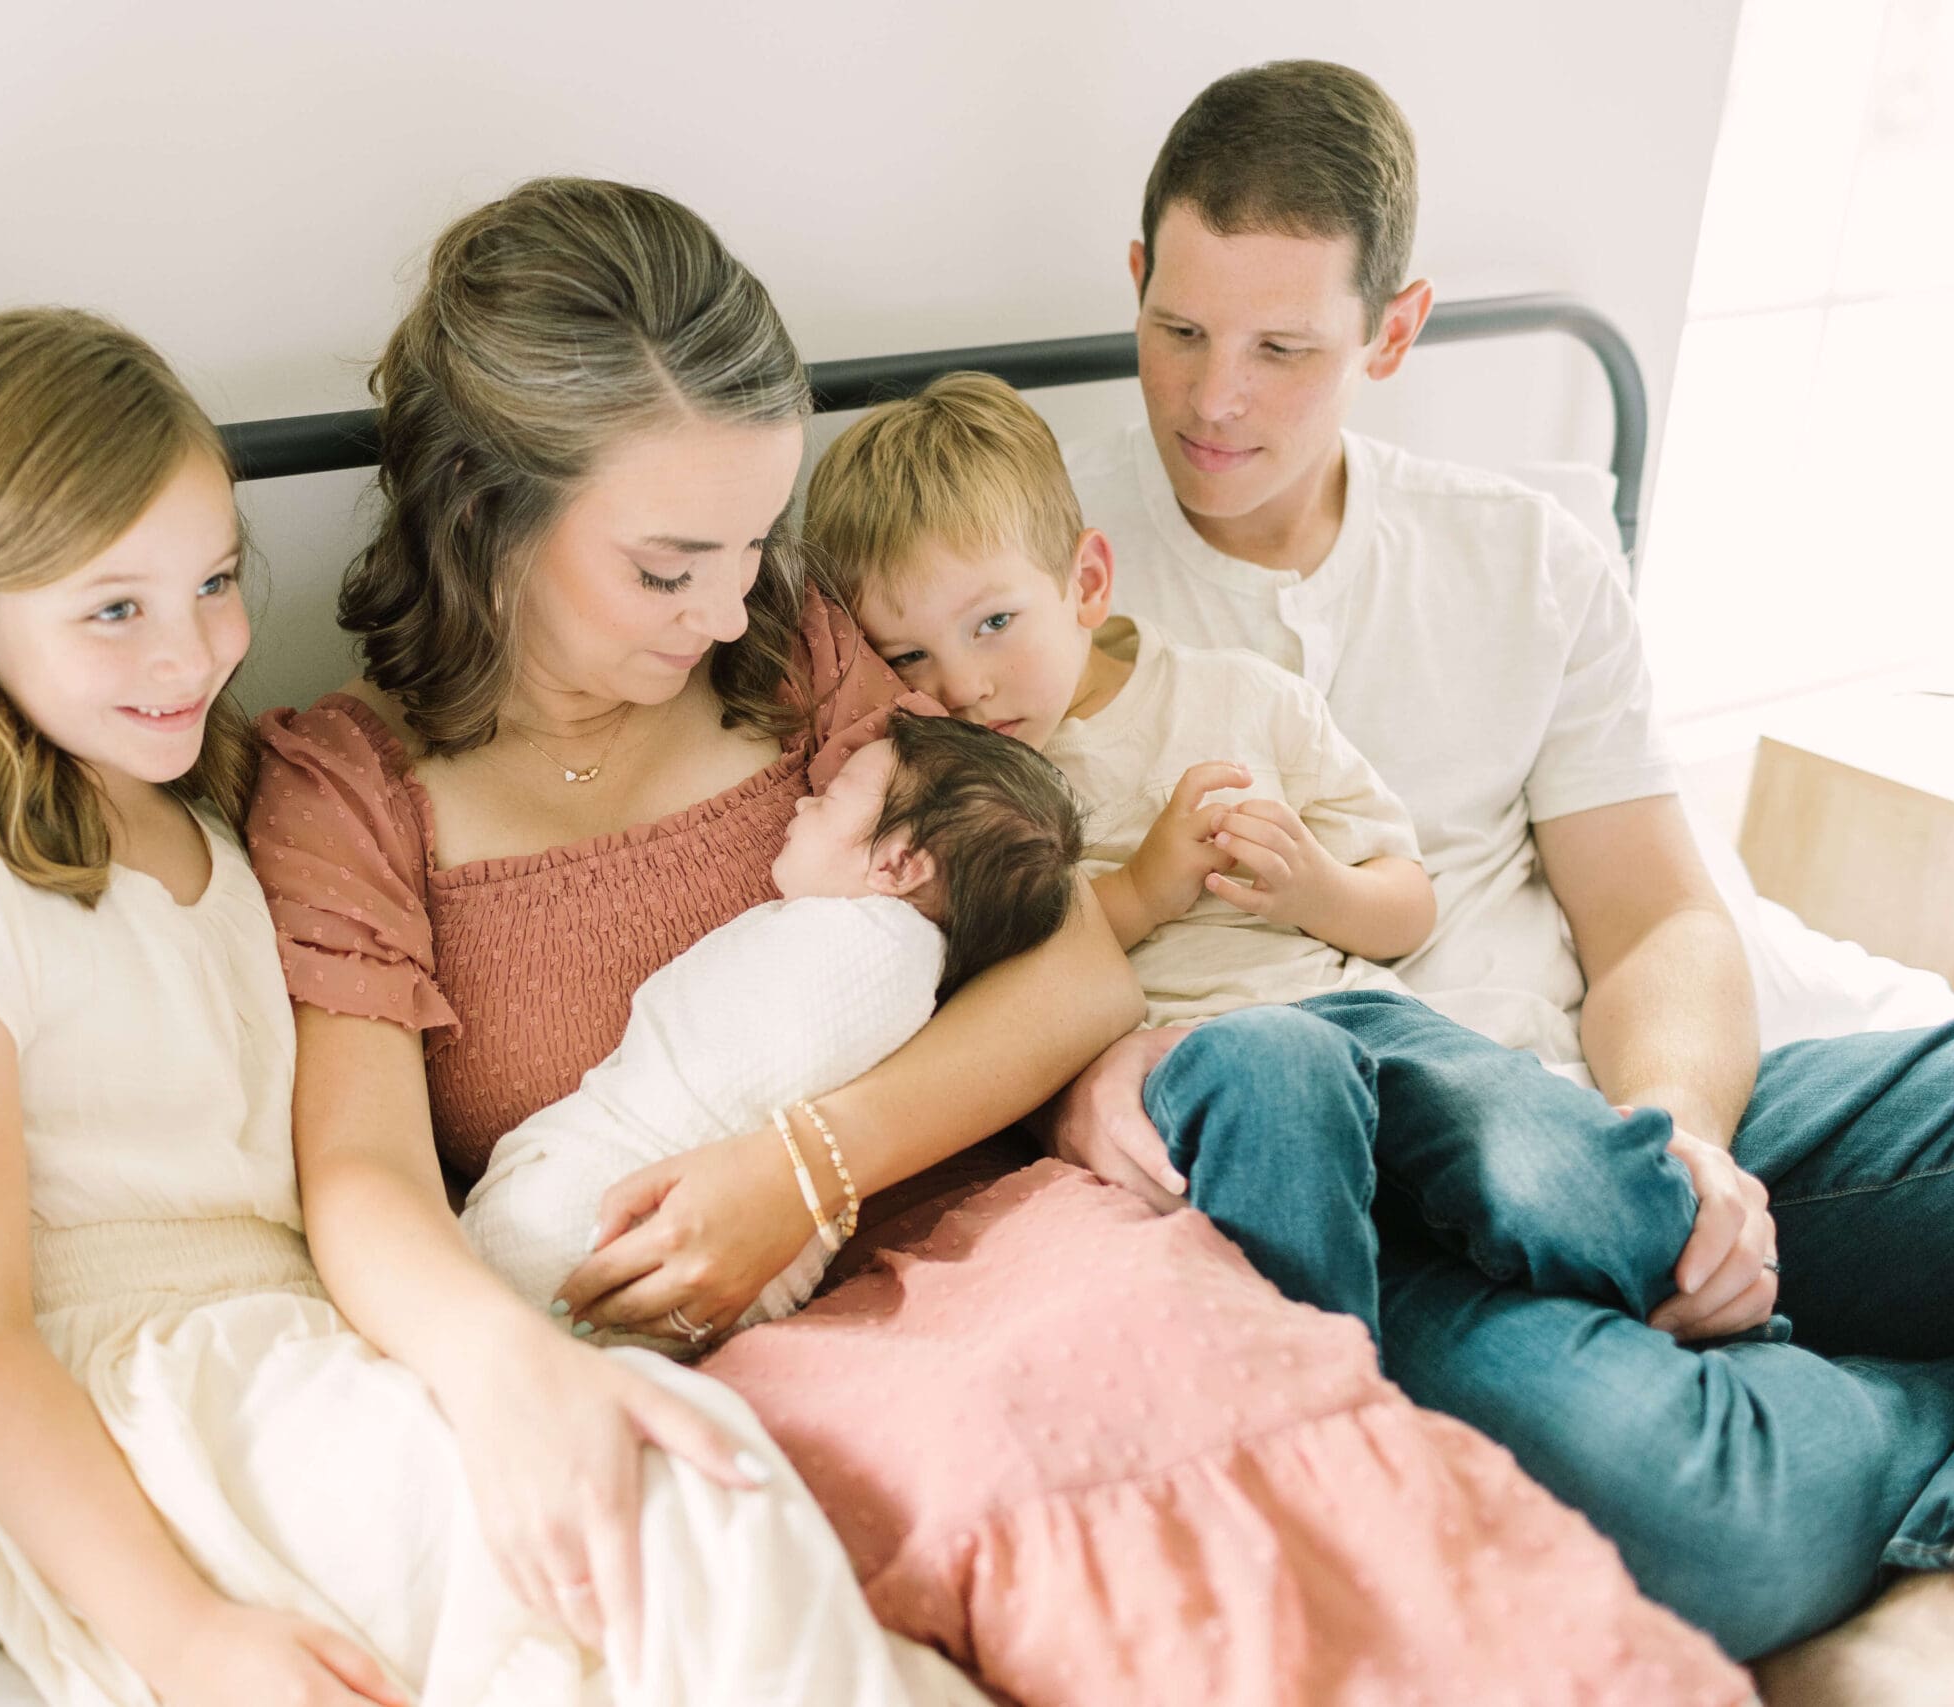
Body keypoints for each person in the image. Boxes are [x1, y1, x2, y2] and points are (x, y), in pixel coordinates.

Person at [250, 175, 1748, 1706]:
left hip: (1005, 1221)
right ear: (487, 507)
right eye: (665, 564)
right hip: (736, 1345)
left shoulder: (807, 659)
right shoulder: (347, 792)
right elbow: (359, 1172)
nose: (723, 611)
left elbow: (1071, 968)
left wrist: (804, 1171)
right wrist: (511, 1374)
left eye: (755, 546)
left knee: (1316, 1461)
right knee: (1083, 1562)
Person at [0, 306, 981, 1707]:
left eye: (211, 581)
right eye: (112, 608)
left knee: (670, 1484)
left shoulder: (231, 810)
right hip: (168, 1406)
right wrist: (179, 1634)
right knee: (658, 1509)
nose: (189, 652)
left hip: (326, 1338)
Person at [1048, 58, 1954, 1691]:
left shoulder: (1525, 553)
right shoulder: (1023, 578)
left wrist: (1684, 1141)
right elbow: (966, 949)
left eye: (1284, 350)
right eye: (1181, 329)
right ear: (1135, 280)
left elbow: (1666, 917)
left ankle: (1743, 1285)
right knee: (1711, 1520)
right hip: (1371, 1206)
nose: (1214, 400)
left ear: (1392, 333)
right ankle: (1926, 1406)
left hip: (1589, 1118)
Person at [807, 368, 1704, 1337]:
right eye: (909, 656)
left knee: (1541, 1151)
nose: (966, 684)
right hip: (1193, 1065)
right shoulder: (946, 792)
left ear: (1085, 583)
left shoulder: (1241, 700)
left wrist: (1313, 888)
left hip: (1361, 1015)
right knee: (1279, 1071)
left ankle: (1697, 1285)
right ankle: (1334, 1390)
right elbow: (989, 980)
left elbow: (1406, 907)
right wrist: (1144, 892)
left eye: (993, 624)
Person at [464, 716, 1084, 1344]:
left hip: (620, 1209)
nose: (806, 800)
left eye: (834, 795)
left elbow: (745, 1069)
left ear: (897, 865)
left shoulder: (874, 953)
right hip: (717, 1269)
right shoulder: (893, 957)